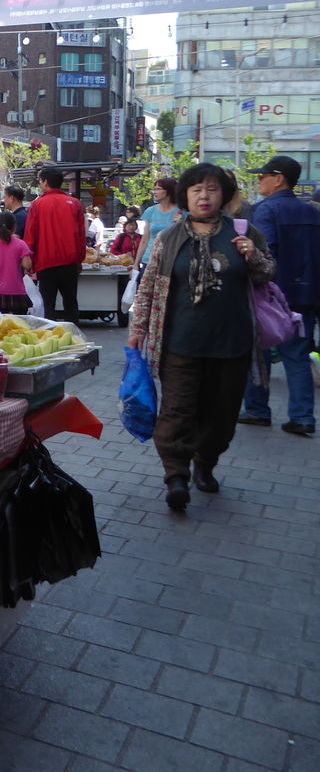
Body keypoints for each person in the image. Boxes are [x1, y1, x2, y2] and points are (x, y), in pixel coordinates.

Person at [129, 163, 274, 511]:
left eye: (211, 189)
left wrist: (253, 257)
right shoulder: (169, 238)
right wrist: (138, 330)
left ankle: (205, 463)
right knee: (177, 411)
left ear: (223, 194)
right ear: (186, 196)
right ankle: (176, 475)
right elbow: (149, 288)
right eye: (196, 190)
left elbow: (268, 274)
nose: (204, 196)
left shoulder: (243, 231)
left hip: (232, 343)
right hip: (180, 343)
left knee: (220, 415)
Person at [239, 155, 320, 435]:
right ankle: (303, 417)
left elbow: (263, 255)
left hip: (272, 297)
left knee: (257, 352)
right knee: (297, 357)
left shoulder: (266, 211)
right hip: (307, 296)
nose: (259, 180)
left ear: (279, 179)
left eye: (263, 176)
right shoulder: (312, 212)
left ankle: (258, 410)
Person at [25, 167, 84, 325]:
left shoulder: (37, 205)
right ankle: (74, 338)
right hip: (69, 262)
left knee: (48, 305)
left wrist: (29, 260)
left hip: (45, 262)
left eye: (40, 181)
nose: (40, 184)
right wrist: (79, 259)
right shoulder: (75, 204)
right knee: (71, 303)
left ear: (45, 182)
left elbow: (31, 235)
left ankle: (51, 339)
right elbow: (80, 236)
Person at [0, 212, 34, 315]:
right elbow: (27, 265)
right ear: (14, 227)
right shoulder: (20, 244)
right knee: (19, 326)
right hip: (16, 291)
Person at [138, 177, 181, 269]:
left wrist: (183, 223)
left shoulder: (182, 212)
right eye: (154, 189)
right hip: (149, 260)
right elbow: (145, 239)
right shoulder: (150, 211)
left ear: (169, 190)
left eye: (158, 189)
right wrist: (136, 263)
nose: (154, 192)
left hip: (172, 262)